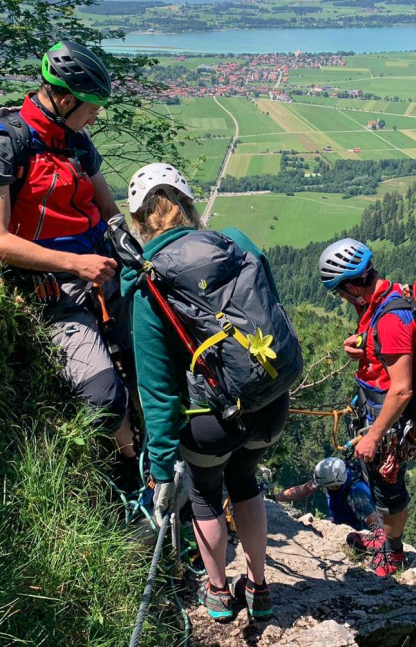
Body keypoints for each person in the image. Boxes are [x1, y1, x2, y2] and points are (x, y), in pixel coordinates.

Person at [120, 163, 290, 622]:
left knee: (205, 495)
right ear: (190, 207)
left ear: (138, 221)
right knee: (246, 481)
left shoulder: (147, 283)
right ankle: (259, 588)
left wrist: (159, 469)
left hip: (211, 417)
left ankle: (217, 592)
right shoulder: (237, 242)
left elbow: (155, 388)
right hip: (269, 401)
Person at [0, 42, 137, 485]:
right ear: (65, 100)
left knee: (154, 360)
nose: (95, 117)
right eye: (91, 108)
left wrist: (131, 248)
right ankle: (122, 479)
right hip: (53, 288)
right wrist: (76, 263)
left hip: (101, 276)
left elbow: (109, 210)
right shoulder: (3, 143)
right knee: (103, 398)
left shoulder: (77, 144)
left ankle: (153, 462)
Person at [319, 238, 416, 578]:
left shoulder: (390, 317)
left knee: (389, 487)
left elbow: (402, 389)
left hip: (388, 419)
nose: (342, 299)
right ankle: (383, 540)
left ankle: (394, 553)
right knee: (375, 481)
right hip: (372, 408)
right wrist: (360, 346)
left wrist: (374, 435)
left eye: (340, 292)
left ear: (352, 286)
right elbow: (381, 350)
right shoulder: (374, 305)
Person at [271, 457, 385, 550]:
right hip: (341, 519)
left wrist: (377, 540)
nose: (325, 488)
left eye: (328, 486)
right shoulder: (334, 476)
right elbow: (304, 490)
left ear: (335, 484)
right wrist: (274, 498)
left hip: (356, 531)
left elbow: (373, 520)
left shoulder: (355, 496)